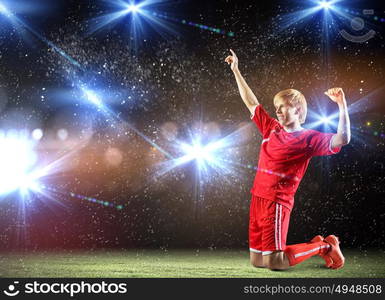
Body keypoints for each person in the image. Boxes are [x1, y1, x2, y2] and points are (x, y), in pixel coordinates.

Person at [225, 49, 351, 270]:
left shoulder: (309, 138)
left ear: (298, 109)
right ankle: (318, 245)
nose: (279, 111)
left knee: (275, 263)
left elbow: (343, 139)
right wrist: (236, 69)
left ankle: (325, 246)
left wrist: (341, 105)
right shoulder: (271, 128)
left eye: (284, 106)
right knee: (258, 262)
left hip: (277, 202)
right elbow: (251, 102)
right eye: (277, 107)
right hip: (257, 198)